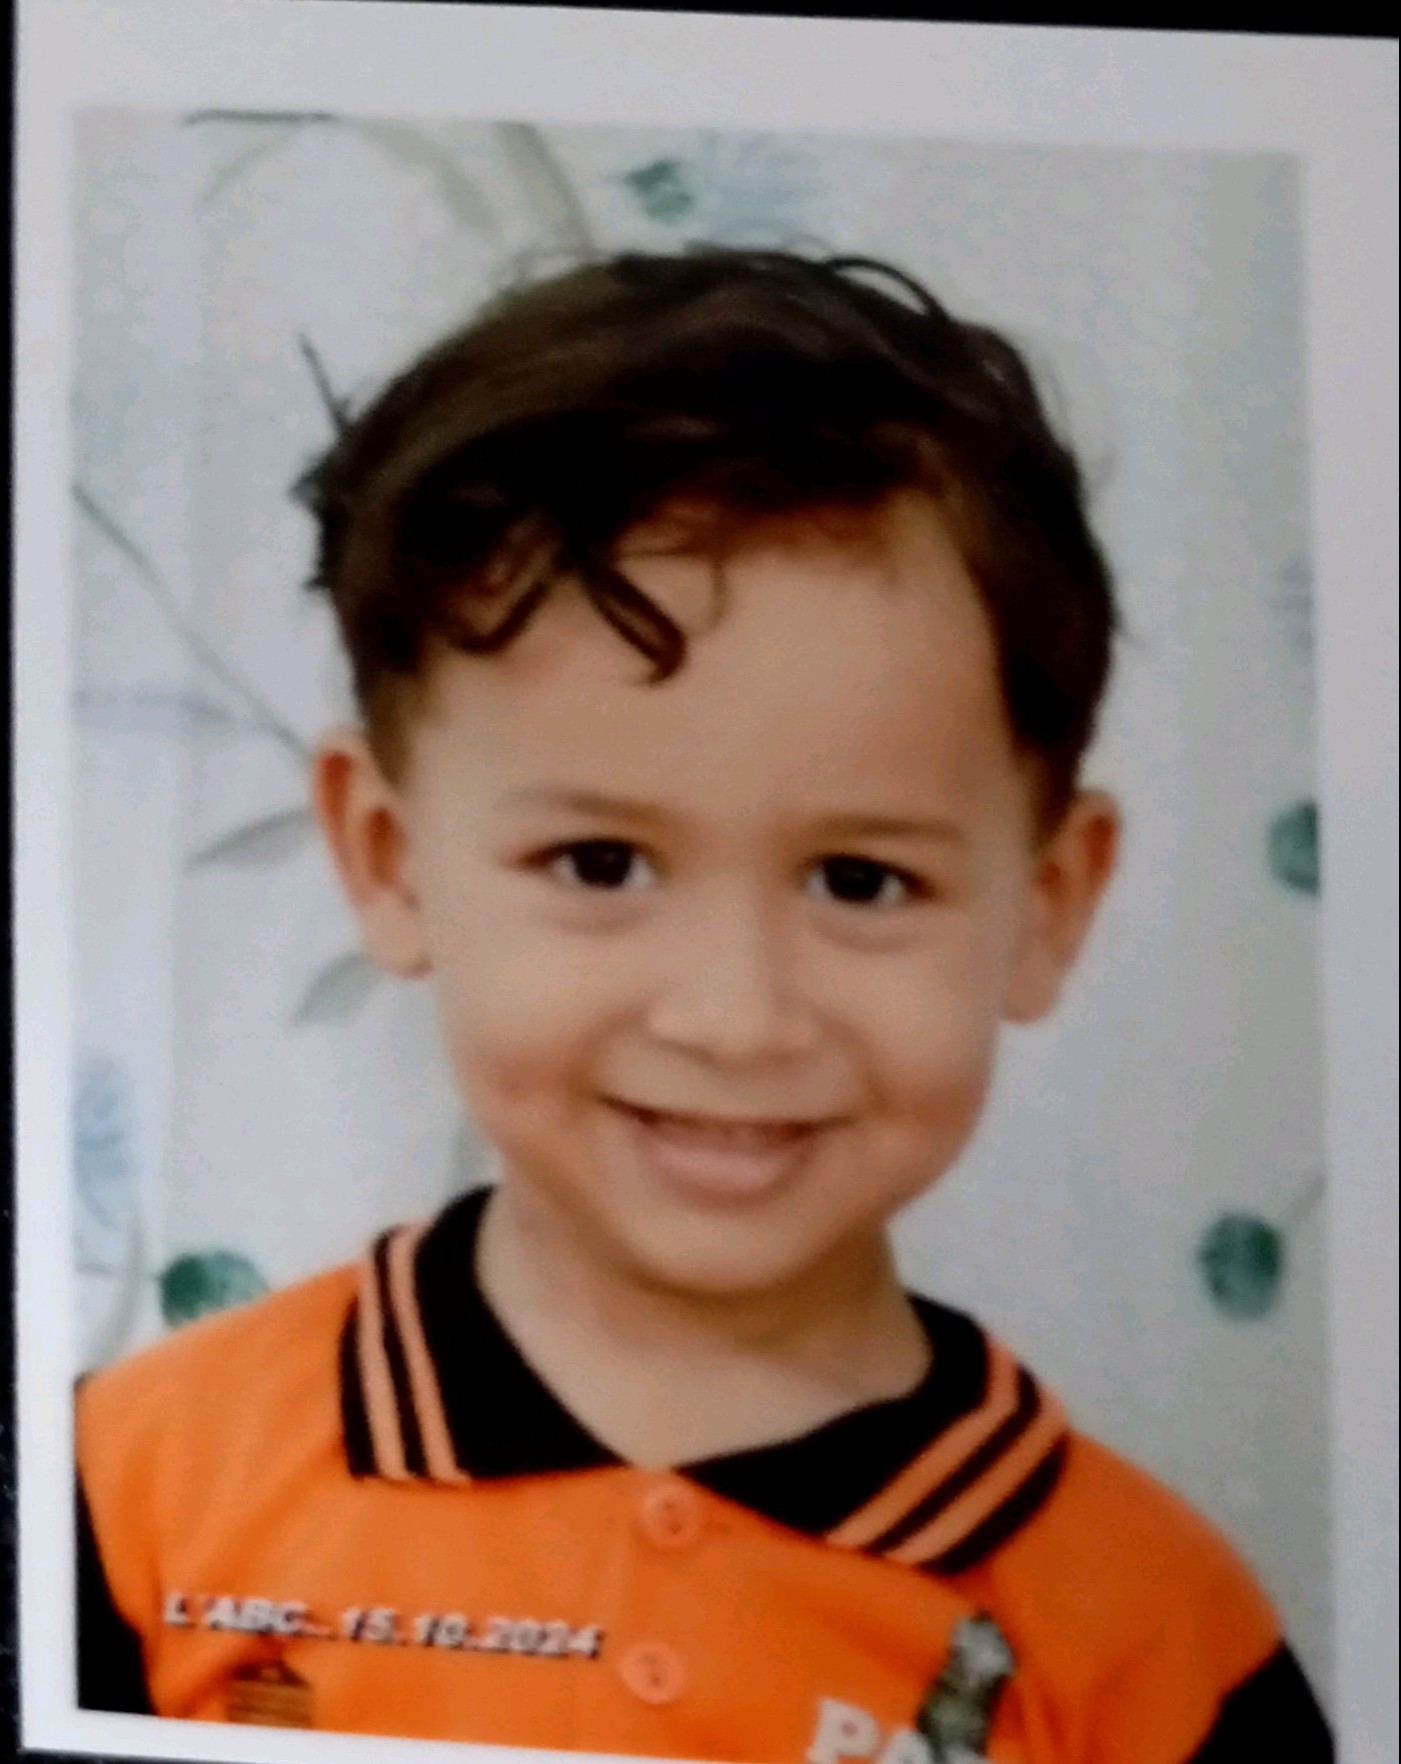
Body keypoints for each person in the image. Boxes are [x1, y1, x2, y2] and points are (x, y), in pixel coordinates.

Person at [75, 247, 1333, 1762]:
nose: (736, 1019)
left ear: (1049, 902)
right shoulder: (123, 1499)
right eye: (600, 863)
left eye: (860, 880)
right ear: (390, 860)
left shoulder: (1165, 1655)